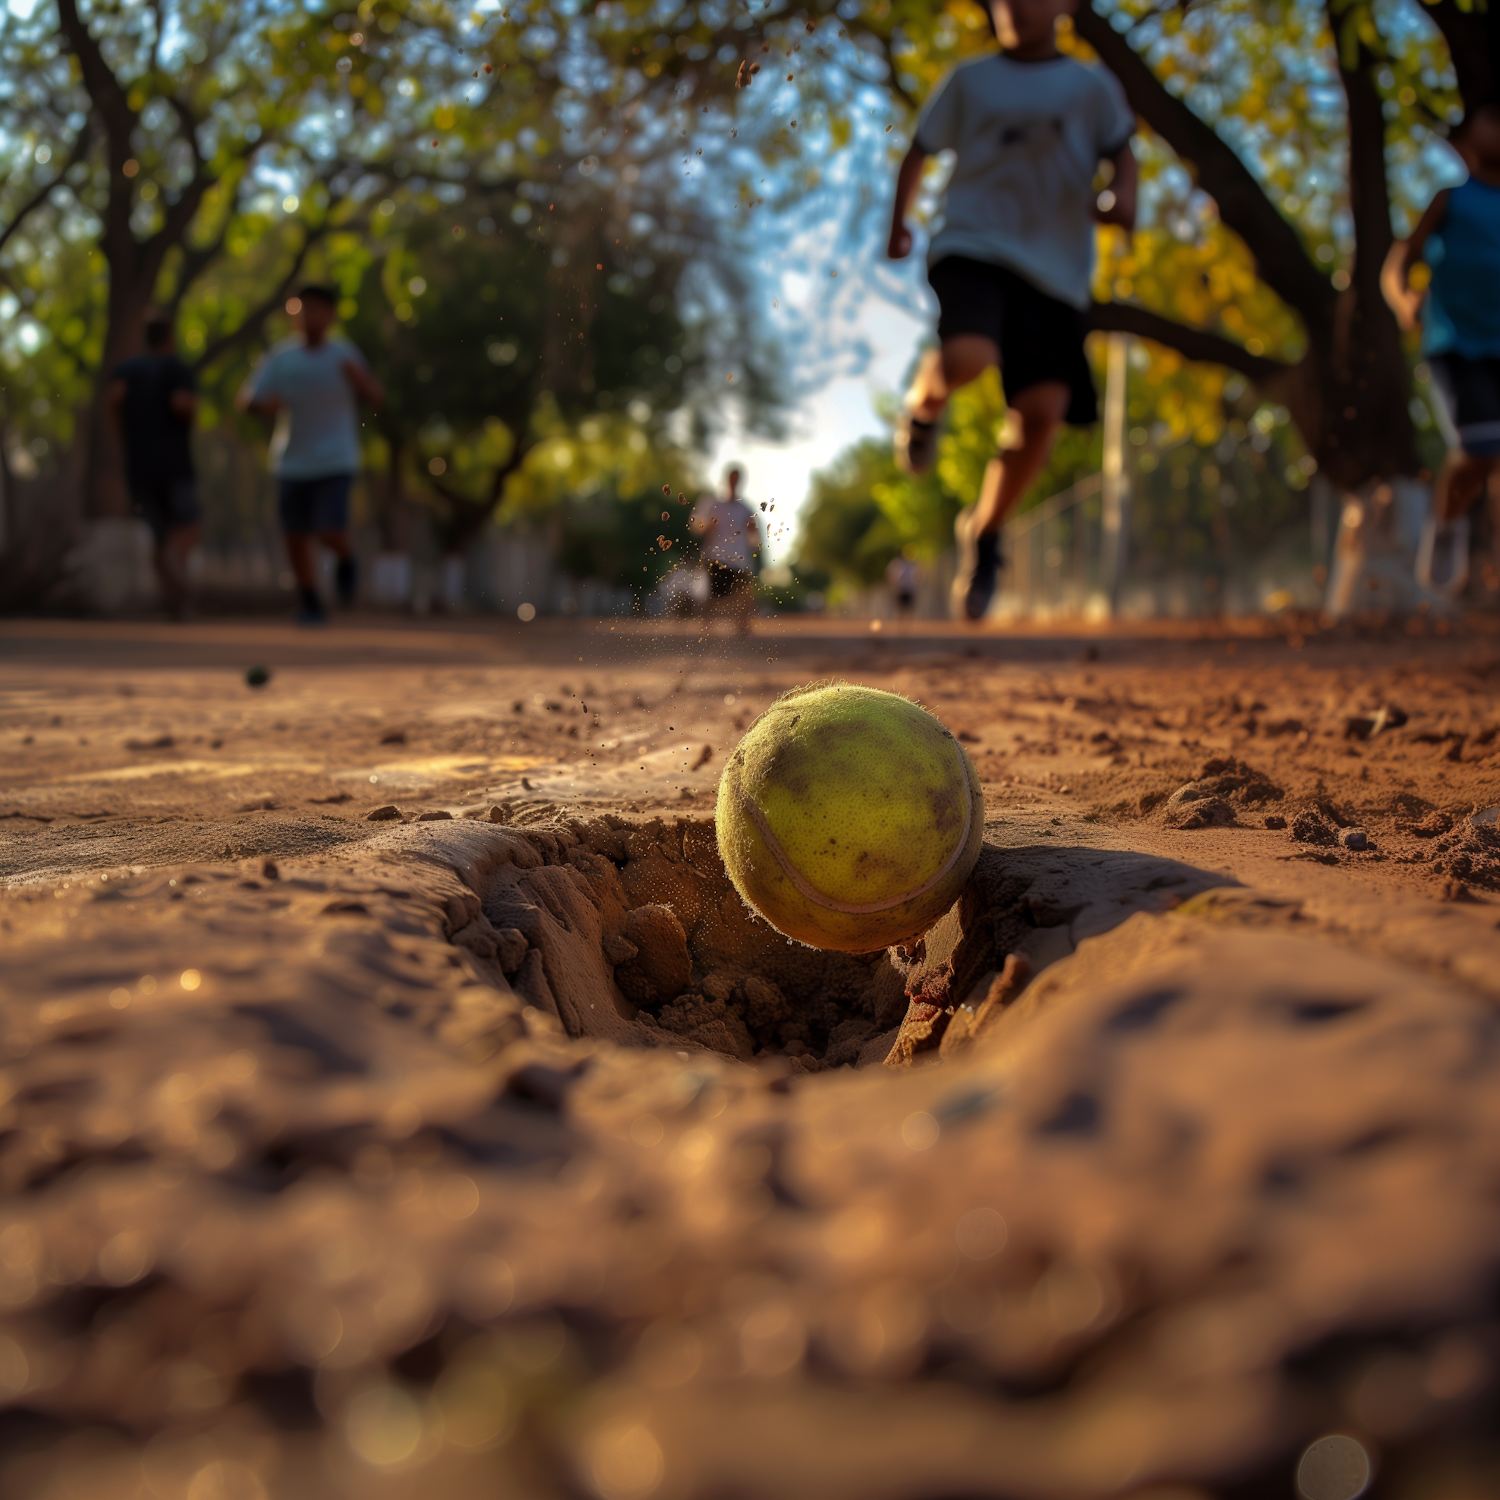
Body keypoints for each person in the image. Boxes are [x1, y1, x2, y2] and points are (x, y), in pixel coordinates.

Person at [887, 0, 1137, 621]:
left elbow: (1123, 155)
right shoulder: (970, 80)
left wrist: (1123, 198)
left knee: (1042, 412)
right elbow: (919, 150)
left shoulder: (1090, 87)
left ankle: (985, 531)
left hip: (1055, 274)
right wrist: (897, 225)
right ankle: (925, 402)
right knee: (969, 357)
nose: (1013, 6)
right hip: (972, 243)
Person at [1382, 100, 1500, 600]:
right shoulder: (1451, 200)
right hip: (1454, 343)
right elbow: (1399, 259)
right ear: (1466, 142)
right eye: (1490, 120)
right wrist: (1402, 297)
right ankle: (1448, 523)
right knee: (1480, 445)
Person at [238, 284, 384, 624]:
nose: (307, 316)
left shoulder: (345, 355)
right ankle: (310, 602)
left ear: (331, 315)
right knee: (295, 536)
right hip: (292, 460)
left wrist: (361, 384)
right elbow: (246, 401)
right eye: (301, 309)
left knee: (328, 528)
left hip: (336, 457)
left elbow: (377, 398)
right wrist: (263, 405)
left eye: (316, 309)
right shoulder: (281, 357)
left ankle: (346, 558)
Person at [106, 316, 201, 618]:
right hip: (174, 463)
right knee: (187, 525)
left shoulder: (127, 370)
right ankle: (174, 566)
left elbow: (114, 399)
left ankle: (174, 603)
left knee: (158, 532)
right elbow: (181, 404)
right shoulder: (176, 368)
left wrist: (126, 432)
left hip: (139, 464)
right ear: (170, 337)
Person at [690, 466, 760, 634]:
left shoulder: (746, 509)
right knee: (712, 594)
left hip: (739, 558)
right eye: (732, 478)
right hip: (716, 556)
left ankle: (742, 625)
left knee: (743, 593)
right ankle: (707, 626)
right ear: (727, 479)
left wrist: (752, 529)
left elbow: (755, 539)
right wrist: (707, 525)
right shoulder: (713, 504)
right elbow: (696, 527)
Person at [887, 549, 921, 620]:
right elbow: (891, 575)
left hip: (909, 589)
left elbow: (916, 575)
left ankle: (906, 624)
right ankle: (902, 624)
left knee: (909, 608)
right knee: (901, 608)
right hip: (900, 590)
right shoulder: (896, 564)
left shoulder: (910, 564)